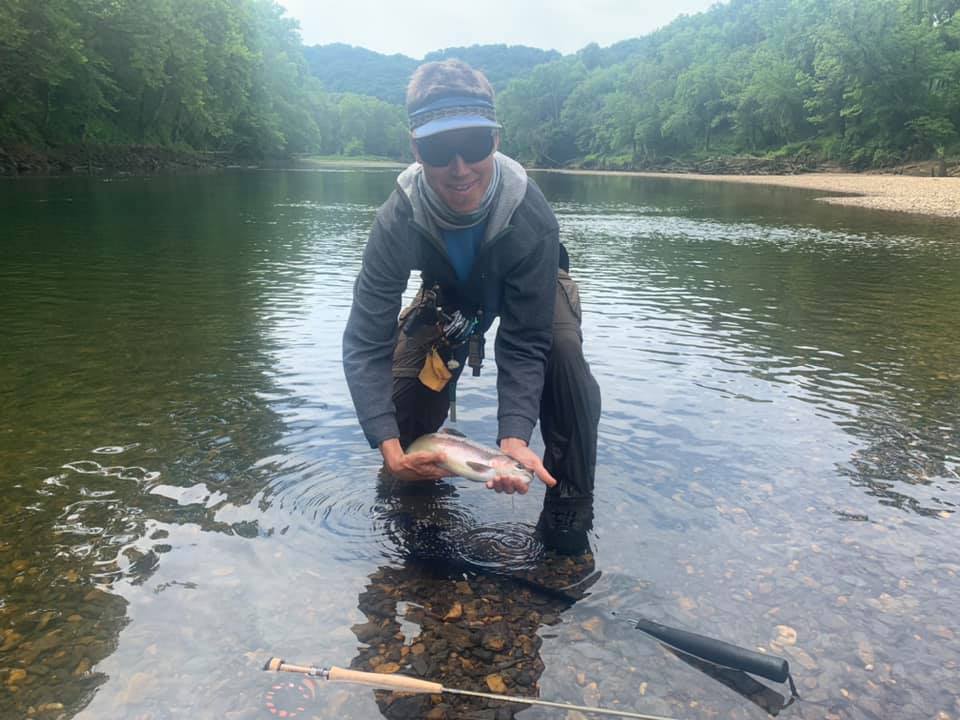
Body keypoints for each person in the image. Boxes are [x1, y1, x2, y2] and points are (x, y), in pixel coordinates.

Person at [342, 59, 600, 498]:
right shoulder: (398, 216)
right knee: (400, 421)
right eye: (441, 151)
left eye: (475, 144)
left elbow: (525, 341)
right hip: (452, 297)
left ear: (496, 139)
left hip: (535, 291)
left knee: (564, 354)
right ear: (416, 150)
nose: (460, 168)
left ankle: (567, 525)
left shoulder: (530, 214)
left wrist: (514, 435)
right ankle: (417, 522)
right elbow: (367, 340)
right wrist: (388, 445)